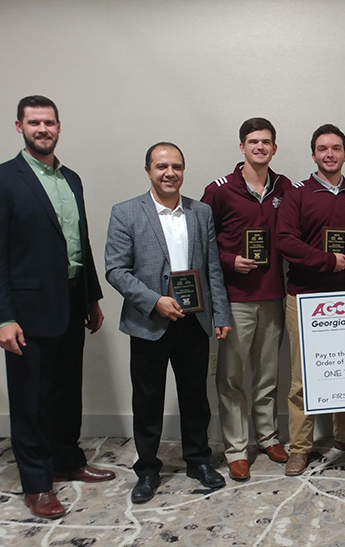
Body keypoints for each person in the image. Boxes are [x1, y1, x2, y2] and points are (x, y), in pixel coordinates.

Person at [0, 95, 114, 519]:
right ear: (19, 127)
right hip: (27, 311)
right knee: (30, 400)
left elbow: (78, 243)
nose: (42, 129)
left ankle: (67, 461)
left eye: (49, 122)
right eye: (34, 122)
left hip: (71, 301)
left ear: (58, 126)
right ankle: (37, 483)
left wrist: (91, 297)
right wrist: (2, 317)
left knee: (67, 391)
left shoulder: (71, 179)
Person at [104, 142, 232, 504]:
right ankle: (146, 469)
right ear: (148, 170)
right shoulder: (126, 212)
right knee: (147, 401)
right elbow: (116, 269)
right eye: (161, 166)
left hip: (193, 321)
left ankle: (198, 461)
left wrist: (219, 313)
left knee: (196, 398)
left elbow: (211, 270)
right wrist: (154, 301)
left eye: (176, 166)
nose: (169, 173)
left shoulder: (200, 212)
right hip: (148, 323)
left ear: (183, 170)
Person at [276, 124, 345, 476]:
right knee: (303, 379)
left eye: (336, 148)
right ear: (314, 155)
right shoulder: (297, 193)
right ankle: (300, 448)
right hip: (306, 296)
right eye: (322, 149)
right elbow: (285, 241)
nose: (329, 154)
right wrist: (327, 259)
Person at [201, 118, 290, 481]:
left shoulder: (285, 187)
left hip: (273, 295)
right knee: (232, 377)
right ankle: (237, 449)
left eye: (266, 142)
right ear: (241, 147)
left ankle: (267, 437)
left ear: (274, 148)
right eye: (253, 141)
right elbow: (202, 243)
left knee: (268, 374)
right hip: (235, 298)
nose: (260, 147)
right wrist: (229, 260)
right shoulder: (219, 190)